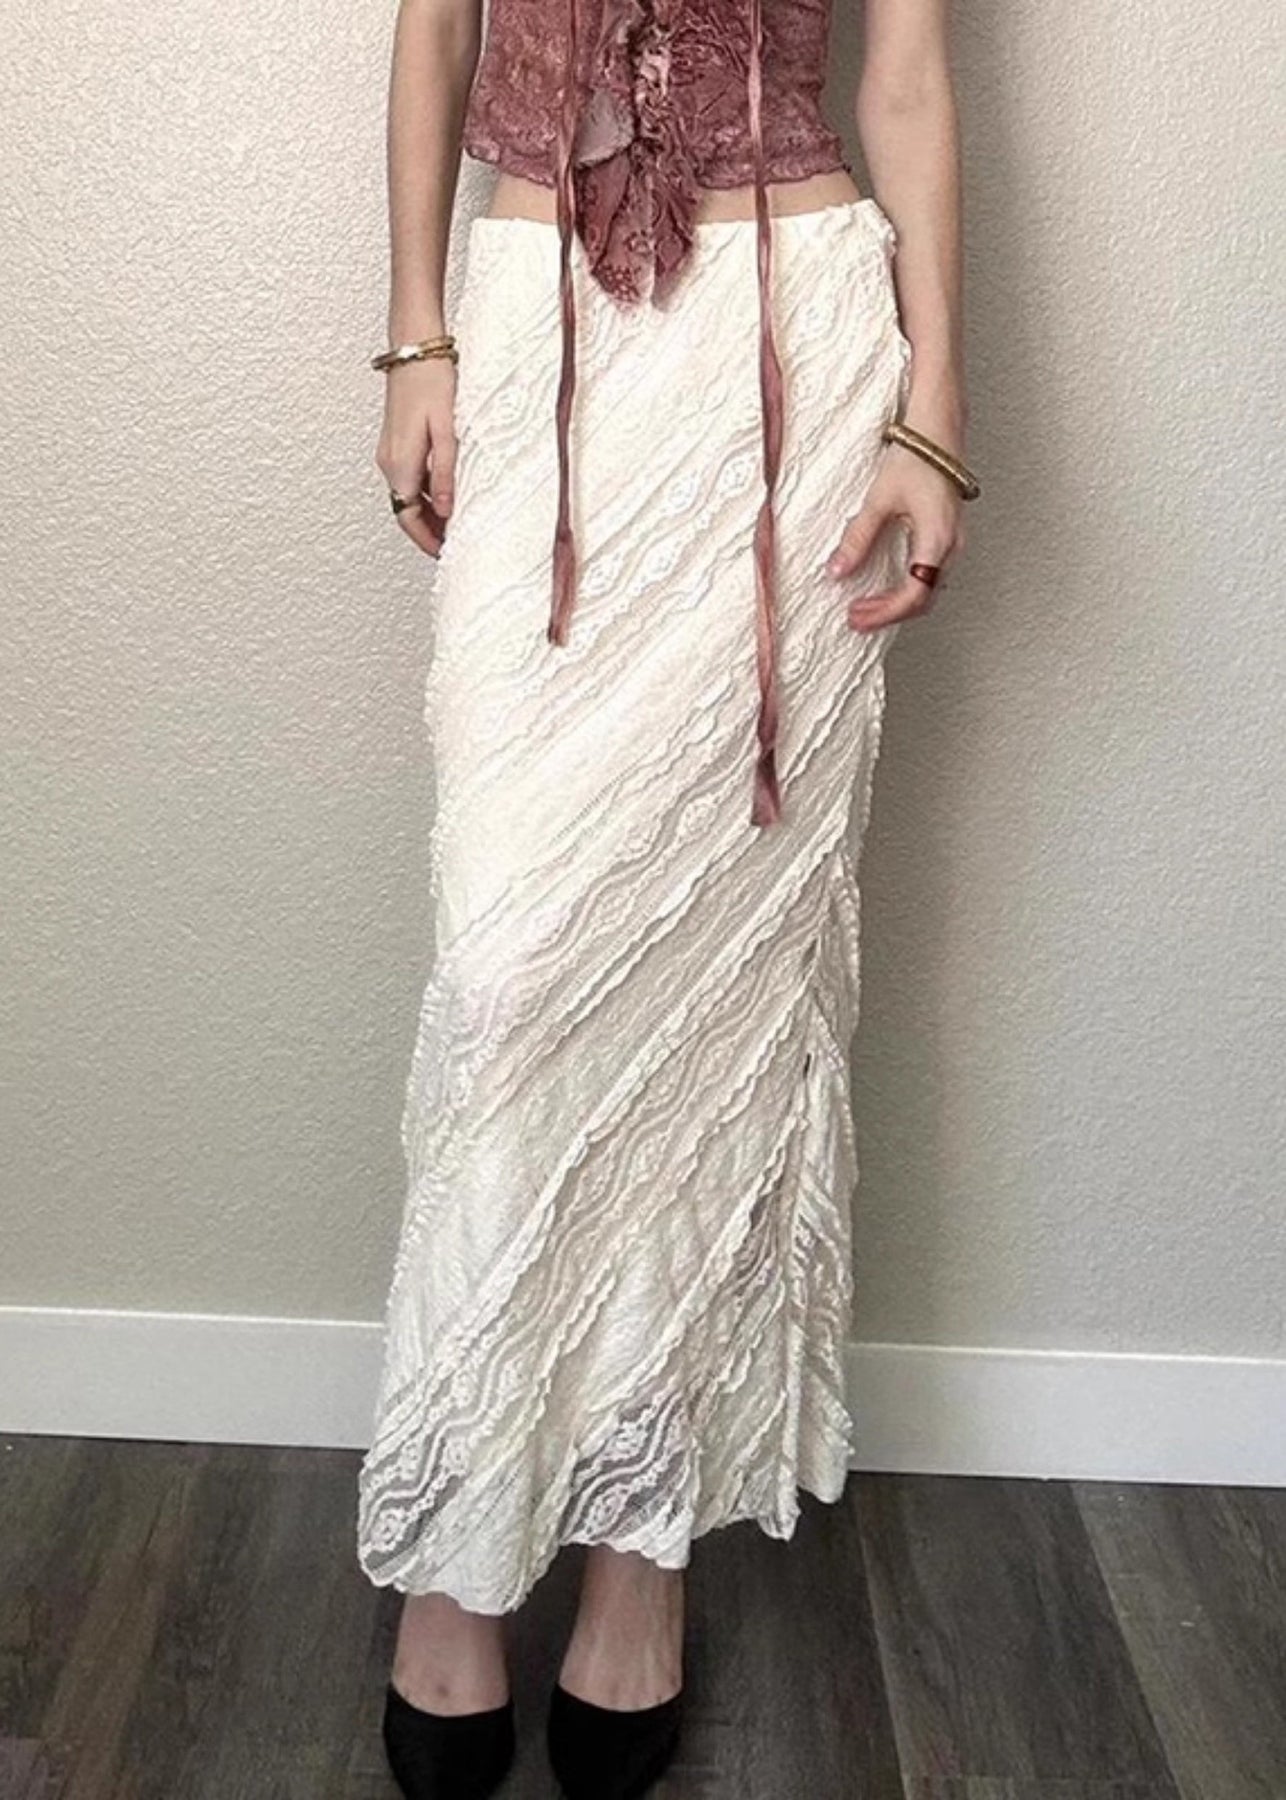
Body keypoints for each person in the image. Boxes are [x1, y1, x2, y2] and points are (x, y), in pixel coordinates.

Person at [358, 0, 979, 1795]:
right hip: (537, 318)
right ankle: (459, 1542)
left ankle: (644, 1554)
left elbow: (905, 71)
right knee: (509, 967)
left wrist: (934, 403)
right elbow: (433, 27)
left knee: (716, 970)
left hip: (793, 337)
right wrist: (415, 335)